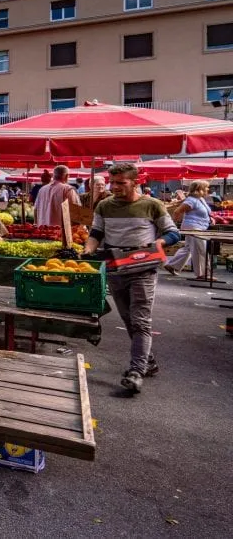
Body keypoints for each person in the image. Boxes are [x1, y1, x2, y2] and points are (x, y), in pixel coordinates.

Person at [83, 162, 180, 394]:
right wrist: (88, 250)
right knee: (128, 318)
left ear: (135, 182)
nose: (114, 187)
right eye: (112, 182)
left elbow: (173, 232)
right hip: (116, 270)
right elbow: (96, 233)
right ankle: (149, 361)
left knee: (140, 320)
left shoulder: (152, 205)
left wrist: (161, 242)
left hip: (143, 270)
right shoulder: (104, 206)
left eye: (121, 183)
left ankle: (137, 371)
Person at [164, 180, 212, 279]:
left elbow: (204, 212)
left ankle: (172, 265)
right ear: (200, 189)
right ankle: (202, 274)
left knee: (189, 248)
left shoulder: (200, 199)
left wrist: (211, 218)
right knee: (200, 250)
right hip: (194, 228)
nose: (208, 189)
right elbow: (177, 212)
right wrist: (173, 225)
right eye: (206, 187)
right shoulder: (191, 200)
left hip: (198, 227)